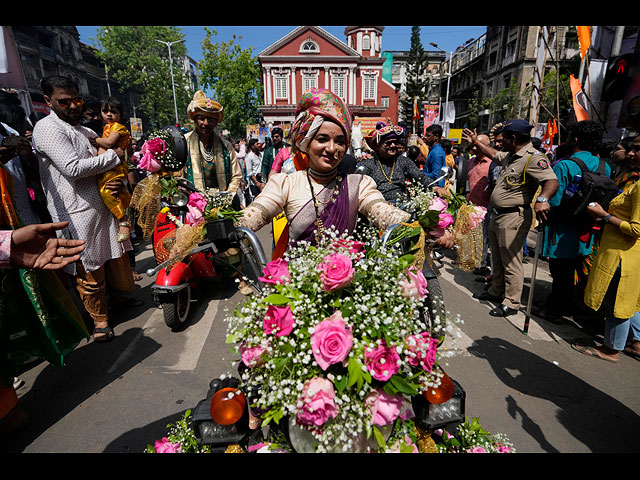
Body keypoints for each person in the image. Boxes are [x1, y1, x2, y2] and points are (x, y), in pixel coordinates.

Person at [237, 87, 454, 253]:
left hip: (348, 286)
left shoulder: (358, 184)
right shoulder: (286, 183)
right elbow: (255, 214)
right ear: (305, 143)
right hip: (295, 289)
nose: (332, 149)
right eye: (322, 139)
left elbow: (381, 210)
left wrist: (423, 226)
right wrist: (223, 225)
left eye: (340, 141)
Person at [32, 75, 137, 343]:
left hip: (102, 206)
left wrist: (119, 181)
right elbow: (72, 168)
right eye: (64, 101)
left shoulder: (85, 130)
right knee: (88, 270)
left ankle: (118, 301)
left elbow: (111, 161)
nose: (73, 106)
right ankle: (100, 320)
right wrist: (116, 156)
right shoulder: (46, 129)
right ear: (48, 101)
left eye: (76, 100)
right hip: (74, 212)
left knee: (112, 261)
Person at [463, 120, 559, 317]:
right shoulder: (511, 156)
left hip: (514, 216)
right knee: (497, 257)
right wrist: (476, 141)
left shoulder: (533, 158)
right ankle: (496, 291)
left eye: (503, 138)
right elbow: (493, 154)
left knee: (511, 261)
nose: (500, 142)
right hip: (498, 215)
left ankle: (512, 302)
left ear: (513, 139)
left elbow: (551, 180)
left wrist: (543, 198)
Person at [572, 134, 640, 363]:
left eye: (637, 149)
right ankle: (632, 341)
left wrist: (604, 215)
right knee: (627, 301)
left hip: (623, 254)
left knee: (617, 302)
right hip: (621, 251)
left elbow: (636, 228)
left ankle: (611, 349)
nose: (631, 153)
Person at [541, 120, 610, 323]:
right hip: (588, 228)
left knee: (560, 272)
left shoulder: (565, 165)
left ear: (576, 139)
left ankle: (555, 310)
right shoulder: (604, 166)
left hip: (562, 230)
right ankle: (569, 304)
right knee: (576, 270)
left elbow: (554, 200)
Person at [182, 90, 242, 199]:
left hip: (222, 202)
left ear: (216, 123)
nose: (206, 123)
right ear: (195, 120)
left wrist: (227, 197)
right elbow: (178, 176)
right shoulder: (184, 143)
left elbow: (236, 176)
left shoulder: (226, 146)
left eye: (210, 120)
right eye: (201, 118)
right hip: (192, 202)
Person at [358, 123, 434, 205]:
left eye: (395, 142)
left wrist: (435, 187)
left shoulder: (403, 161)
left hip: (402, 206)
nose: (393, 145)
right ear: (378, 145)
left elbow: (421, 177)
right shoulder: (368, 163)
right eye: (388, 143)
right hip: (377, 207)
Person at [93, 97, 133, 243]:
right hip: (108, 168)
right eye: (105, 111)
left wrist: (95, 140)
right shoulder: (108, 128)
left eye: (113, 112)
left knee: (107, 192)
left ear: (121, 115)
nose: (109, 115)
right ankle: (128, 208)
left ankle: (123, 219)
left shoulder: (117, 127)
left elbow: (109, 143)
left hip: (115, 168)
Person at [466, 133, 493, 275]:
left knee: (483, 237)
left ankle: (481, 264)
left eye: (478, 145)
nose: (474, 148)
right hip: (471, 205)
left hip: (486, 206)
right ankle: (472, 260)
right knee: (472, 236)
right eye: (474, 145)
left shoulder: (492, 164)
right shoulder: (470, 162)